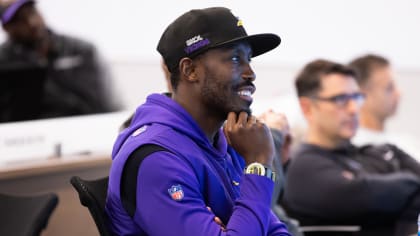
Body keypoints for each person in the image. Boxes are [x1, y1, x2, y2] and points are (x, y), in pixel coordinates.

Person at [105, 7, 290, 235]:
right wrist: (259, 165)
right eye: (234, 59)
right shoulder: (156, 158)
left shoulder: (225, 142)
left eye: (249, 59)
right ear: (190, 70)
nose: (250, 73)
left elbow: (272, 230)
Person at [282, 59, 420, 236]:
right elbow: (362, 196)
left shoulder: (380, 151)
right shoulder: (303, 168)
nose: (354, 109)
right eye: (341, 99)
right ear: (307, 107)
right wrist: (409, 181)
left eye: (356, 97)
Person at [0, 0, 120, 122]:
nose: (32, 23)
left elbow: (107, 106)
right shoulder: (3, 61)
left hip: (84, 130)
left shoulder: (82, 51)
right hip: (24, 137)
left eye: (32, 12)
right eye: (20, 20)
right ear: (7, 27)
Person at [349, 54, 420, 159]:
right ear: (363, 96)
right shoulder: (353, 147)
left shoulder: (407, 143)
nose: (399, 93)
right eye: (389, 88)